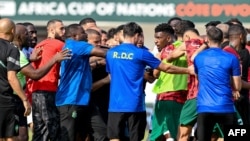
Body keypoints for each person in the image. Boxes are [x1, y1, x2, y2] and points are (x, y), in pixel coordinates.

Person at [105, 22, 191, 141]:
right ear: (137, 36)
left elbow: (111, 74)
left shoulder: (110, 53)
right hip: (135, 104)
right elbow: (166, 68)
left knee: (114, 137)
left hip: (115, 104)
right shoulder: (141, 53)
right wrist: (188, 70)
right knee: (136, 137)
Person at [56, 24, 107, 141]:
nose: (86, 35)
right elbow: (104, 53)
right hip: (71, 100)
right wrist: (123, 52)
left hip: (82, 100)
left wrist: (98, 64)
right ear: (75, 36)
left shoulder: (71, 46)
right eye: (83, 33)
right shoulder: (77, 45)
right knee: (68, 138)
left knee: (100, 132)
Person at [193, 27, 241, 141]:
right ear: (222, 40)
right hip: (226, 107)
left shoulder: (199, 58)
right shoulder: (232, 58)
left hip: (204, 107)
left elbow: (198, 78)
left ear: (207, 40)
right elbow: (237, 86)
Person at [150, 23, 188, 141]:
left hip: (166, 96)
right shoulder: (186, 48)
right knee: (175, 133)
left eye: (158, 38)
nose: (156, 41)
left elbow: (155, 74)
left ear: (168, 38)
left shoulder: (166, 51)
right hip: (180, 96)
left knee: (161, 133)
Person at [30, 19, 65, 141]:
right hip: (48, 91)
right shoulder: (59, 44)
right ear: (51, 30)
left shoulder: (39, 45)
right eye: (61, 28)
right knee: (53, 129)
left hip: (36, 92)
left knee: (40, 131)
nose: (63, 31)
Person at [166, 28, 205, 141]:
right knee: (216, 134)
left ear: (186, 37)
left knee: (183, 133)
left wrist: (184, 52)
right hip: (213, 96)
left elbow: (169, 58)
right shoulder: (210, 44)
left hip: (194, 94)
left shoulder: (188, 44)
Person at [0, 18, 31, 141]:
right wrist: (25, 100)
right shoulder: (11, 49)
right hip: (4, 100)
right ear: (12, 30)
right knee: (8, 137)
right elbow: (12, 77)